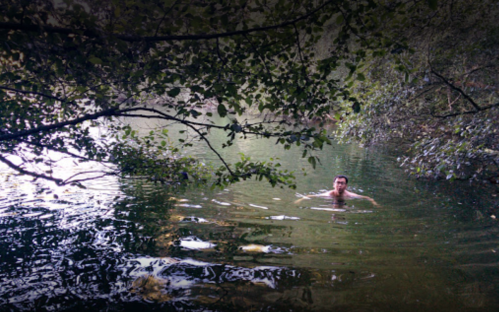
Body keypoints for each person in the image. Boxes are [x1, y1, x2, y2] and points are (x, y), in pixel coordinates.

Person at [294, 175, 379, 207]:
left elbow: (367, 198)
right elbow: (310, 196)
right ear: (333, 185)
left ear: (346, 186)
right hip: (332, 201)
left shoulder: (349, 195)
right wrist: (299, 200)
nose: (339, 185)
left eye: (342, 183)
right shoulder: (329, 194)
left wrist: (374, 203)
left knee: (344, 207)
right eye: (338, 183)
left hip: (344, 201)